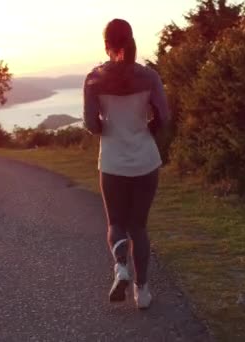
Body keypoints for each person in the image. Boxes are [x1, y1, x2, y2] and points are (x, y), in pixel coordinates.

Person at [82, 18, 170, 310]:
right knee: (139, 226)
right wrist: (147, 127)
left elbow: (92, 126)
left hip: (113, 163)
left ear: (106, 45)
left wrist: (107, 123)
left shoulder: (94, 79)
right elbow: (164, 118)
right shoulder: (150, 77)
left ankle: (121, 268)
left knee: (116, 223)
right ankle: (142, 292)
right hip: (146, 160)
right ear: (132, 40)